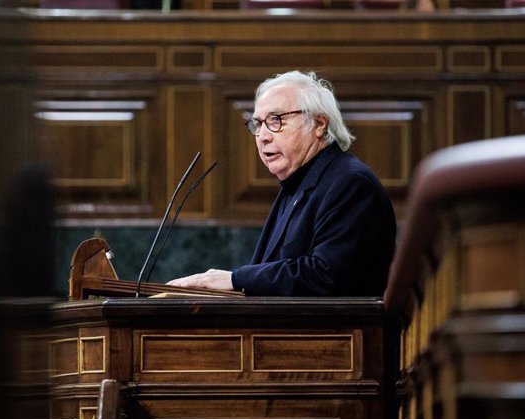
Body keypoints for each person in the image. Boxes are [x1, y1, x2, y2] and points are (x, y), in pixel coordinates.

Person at [167, 70, 396, 296]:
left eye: (276, 120)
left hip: (333, 333)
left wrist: (235, 279)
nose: (263, 136)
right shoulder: (296, 184)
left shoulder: (351, 183)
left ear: (318, 124)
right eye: (258, 124)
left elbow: (326, 274)